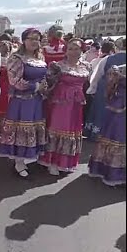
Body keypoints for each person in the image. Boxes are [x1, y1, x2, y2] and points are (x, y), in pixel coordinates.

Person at [0, 28, 48, 178]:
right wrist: (36, 86)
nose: (34, 42)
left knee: (32, 129)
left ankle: (28, 158)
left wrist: (45, 87)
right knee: (21, 129)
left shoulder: (40, 58)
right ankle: (19, 162)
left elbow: (44, 77)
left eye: (37, 39)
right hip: (21, 101)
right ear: (24, 40)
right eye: (31, 38)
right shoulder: (16, 58)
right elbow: (14, 81)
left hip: (37, 101)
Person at [38, 38, 91, 175]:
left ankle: (66, 162)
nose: (74, 51)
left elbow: (87, 85)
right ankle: (52, 161)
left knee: (73, 130)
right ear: (66, 51)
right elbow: (47, 84)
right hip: (60, 102)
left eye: (77, 49)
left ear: (82, 50)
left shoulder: (86, 66)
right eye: (71, 48)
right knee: (57, 128)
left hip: (77, 103)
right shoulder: (57, 66)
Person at [88, 64, 126, 187]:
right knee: (117, 137)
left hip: (119, 109)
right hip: (119, 110)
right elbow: (109, 84)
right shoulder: (120, 68)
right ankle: (111, 172)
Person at [84, 38, 125, 140]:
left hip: (106, 91)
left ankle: (98, 134)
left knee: (102, 112)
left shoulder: (108, 59)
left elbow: (97, 76)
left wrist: (91, 90)